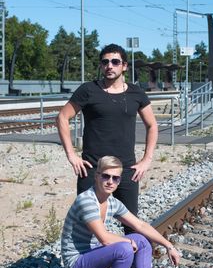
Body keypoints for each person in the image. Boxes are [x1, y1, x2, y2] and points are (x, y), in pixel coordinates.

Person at [61, 156, 180, 268]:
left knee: (142, 240)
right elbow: (104, 238)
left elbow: (140, 225)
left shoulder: (112, 202)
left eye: (115, 178)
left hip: (94, 252)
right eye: (106, 176)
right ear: (96, 176)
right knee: (125, 248)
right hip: (77, 261)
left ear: (118, 181)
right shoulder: (87, 201)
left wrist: (169, 246)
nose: (110, 181)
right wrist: (127, 241)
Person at [57, 43, 158, 222]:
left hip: (126, 169)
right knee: (87, 223)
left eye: (115, 61)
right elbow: (62, 118)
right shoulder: (88, 90)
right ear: (101, 66)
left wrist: (146, 160)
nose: (109, 66)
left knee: (132, 224)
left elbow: (152, 125)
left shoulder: (137, 93)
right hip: (93, 169)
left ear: (124, 66)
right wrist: (71, 155)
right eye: (105, 62)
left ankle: (133, 250)